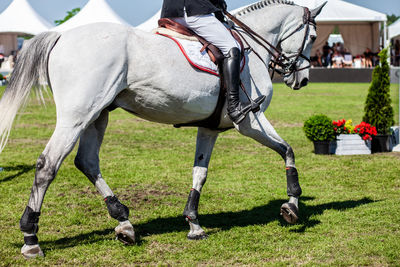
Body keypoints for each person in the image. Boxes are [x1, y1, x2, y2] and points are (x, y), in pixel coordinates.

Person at [160, 0, 265, 124]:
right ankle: (234, 107)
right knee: (231, 47)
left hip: (171, 12)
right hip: (193, 10)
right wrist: (219, 6)